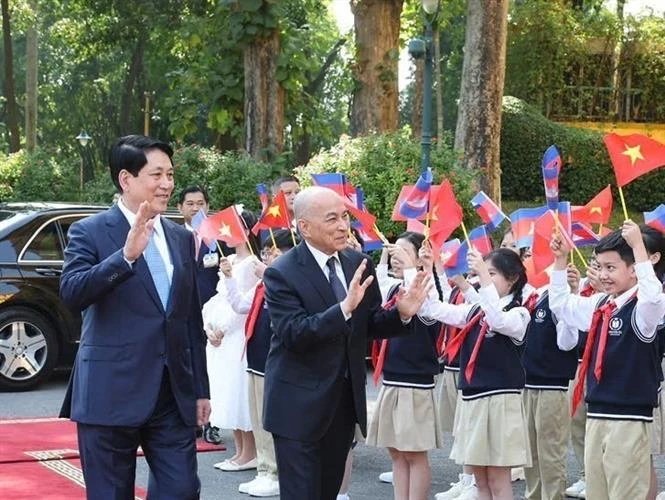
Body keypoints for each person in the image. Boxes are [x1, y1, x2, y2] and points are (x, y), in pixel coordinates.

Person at [59, 135, 210, 499]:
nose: (167, 184)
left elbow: (189, 319)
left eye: (170, 174)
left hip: (172, 395)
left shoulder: (179, 237)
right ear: (126, 179)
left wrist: (201, 390)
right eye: (156, 174)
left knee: (182, 490)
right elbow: (72, 293)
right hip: (109, 392)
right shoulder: (90, 231)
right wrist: (124, 257)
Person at [261, 186, 431, 500]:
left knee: (328, 492)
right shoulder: (281, 273)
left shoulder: (357, 263)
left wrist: (402, 314)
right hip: (296, 405)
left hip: (342, 404)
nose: (343, 226)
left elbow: (369, 324)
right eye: (332, 219)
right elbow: (293, 334)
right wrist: (343, 309)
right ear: (305, 227)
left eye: (344, 217)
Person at [549, 222, 665, 499]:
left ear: (634, 269)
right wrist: (560, 261)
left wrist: (638, 247)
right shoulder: (601, 304)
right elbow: (561, 306)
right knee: (597, 493)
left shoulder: (644, 309)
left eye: (611, 268)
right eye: (599, 267)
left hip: (628, 417)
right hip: (597, 413)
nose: (602, 274)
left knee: (625, 493)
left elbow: (652, 298)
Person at [420, 248, 532, 500]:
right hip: (473, 399)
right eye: (484, 273)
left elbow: (498, 321)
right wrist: (428, 269)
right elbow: (434, 309)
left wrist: (481, 275)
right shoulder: (474, 311)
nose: (484, 280)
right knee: (479, 479)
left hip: (501, 401)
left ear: (512, 278)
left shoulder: (519, 313)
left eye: (492, 273)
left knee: (498, 478)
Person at [223, 229, 298, 497]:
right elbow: (241, 306)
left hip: (276, 361)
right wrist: (230, 279)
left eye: (275, 250)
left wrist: (268, 273)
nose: (268, 255)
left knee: (274, 420)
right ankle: (264, 469)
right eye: (266, 251)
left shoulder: (290, 278)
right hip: (255, 357)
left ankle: (276, 472)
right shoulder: (262, 282)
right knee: (258, 418)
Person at [368, 234, 443, 500]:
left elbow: (421, 302)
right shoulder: (394, 288)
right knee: (396, 451)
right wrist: (384, 257)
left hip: (416, 380)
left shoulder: (429, 288)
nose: (396, 255)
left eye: (403, 251)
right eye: (394, 250)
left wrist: (418, 266)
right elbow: (379, 279)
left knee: (413, 451)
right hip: (392, 377)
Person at [202, 209, 260, 472]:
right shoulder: (231, 259)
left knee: (239, 392)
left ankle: (250, 451)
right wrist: (209, 326)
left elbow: (246, 303)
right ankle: (239, 451)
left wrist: (223, 328)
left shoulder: (251, 264)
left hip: (237, 335)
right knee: (225, 389)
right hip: (220, 337)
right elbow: (218, 298)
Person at [177, 184, 224, 445]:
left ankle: (212, 423)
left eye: (201, 203)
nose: (196, 208)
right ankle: (190, 418)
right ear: (180, 207)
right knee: (187, 366)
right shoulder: (172, 237)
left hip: (212, 312)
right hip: (182, 313)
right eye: (190, 203)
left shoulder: (218, 239)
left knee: (212, 369)